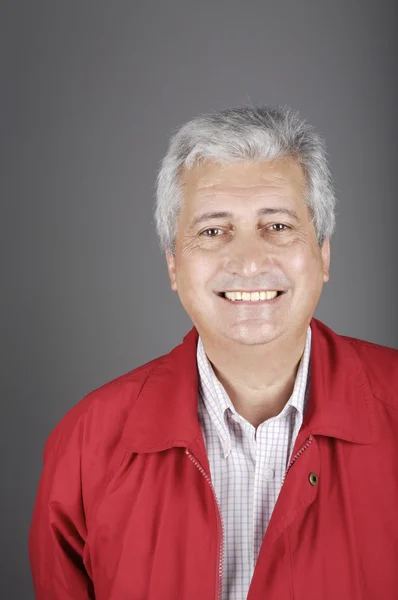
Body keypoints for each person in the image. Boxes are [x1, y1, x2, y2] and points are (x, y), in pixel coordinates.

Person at [29, 106, 398, 600]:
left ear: (323, 253)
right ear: (173, 265)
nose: (248, 262)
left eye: (278, 225)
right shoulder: (86, 446)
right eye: (212, 231)